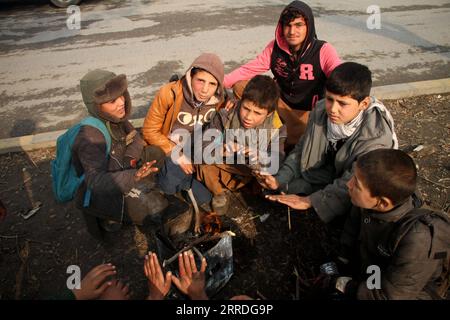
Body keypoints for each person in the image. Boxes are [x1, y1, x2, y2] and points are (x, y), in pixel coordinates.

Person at [259, 62, 398, 223]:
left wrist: (312, 201)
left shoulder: (376, 137)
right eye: (330, 99)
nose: (332, 109)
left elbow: (353, 182)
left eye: (342, 103)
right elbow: (301, 151)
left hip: (357, 186)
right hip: (326, 173)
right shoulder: (320, 110)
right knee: (277, 189)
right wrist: (280, 179)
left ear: (364, 104)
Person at [325, 149, 450, 300]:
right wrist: (342, 257)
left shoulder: (418, 239)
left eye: (356, 184)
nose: (348, 184)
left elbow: (390, 295)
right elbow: (352, 229)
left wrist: (345, 285)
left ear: (383, 203)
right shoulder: (368, 201)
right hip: (374, 268)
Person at [224, 0, 341, 147]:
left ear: (309, 26)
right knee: (241, 86)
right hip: (281, 104)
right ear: (281, 27)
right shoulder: (275, 47)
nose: (292, 32)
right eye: (288, 25)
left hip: (309, 112)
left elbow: (340, 77)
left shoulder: (323, 50)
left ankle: (277, 139)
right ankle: (258, 131)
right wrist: (217, 82)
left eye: (298, 25)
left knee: (296, 139)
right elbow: (250, 69)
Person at [72, 70, 168, 239]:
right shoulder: (91, 137)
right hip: (100, 193)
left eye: (122, 95)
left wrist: (130, 162)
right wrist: (133, 176)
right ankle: (107, 215)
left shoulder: (116, 118)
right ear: (96, 106)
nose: (121, 102)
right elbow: (95, 181)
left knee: (155, 153)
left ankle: (139, 194)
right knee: (155, 209)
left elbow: (136, 139)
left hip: (122, 172)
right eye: (112, 101)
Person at [142, 53, 227, 209]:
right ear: (190, 77)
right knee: (168, 185)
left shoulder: (220, 99)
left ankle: (187, 180)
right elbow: (149, 130)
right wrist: (176, 154)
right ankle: (176, 181)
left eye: (212, 84)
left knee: (204, 197)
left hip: (196, 146)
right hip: (170, 145)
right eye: (200, 81)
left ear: (218, 86)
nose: (205, 90)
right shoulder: (169, 93)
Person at [196, 75, 287, 215]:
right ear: (240, 101)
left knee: (273, 179)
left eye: (257, 113)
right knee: (203, 163)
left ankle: (252, 189)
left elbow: (277, 161)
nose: (248, 117)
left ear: (269, 114)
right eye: (246, 108)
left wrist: (255, 155)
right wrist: (222, 150)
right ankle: (218, 193)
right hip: (225, 163)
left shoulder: (277, 128)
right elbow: (202, 148)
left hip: (251, 170)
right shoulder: (226, 115)